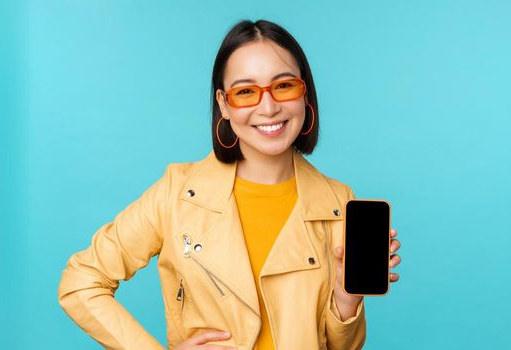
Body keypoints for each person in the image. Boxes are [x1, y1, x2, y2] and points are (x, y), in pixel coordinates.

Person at [57, 19, 403, 350]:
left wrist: (346, 298)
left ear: (304, 94)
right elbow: (80, 282)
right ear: (224, 104)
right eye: (246, 91)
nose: (268, 107)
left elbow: (344, 347)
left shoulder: (338, 202)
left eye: (283, 86)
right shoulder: (177, 192)